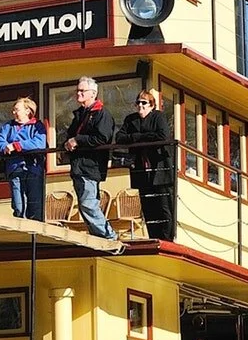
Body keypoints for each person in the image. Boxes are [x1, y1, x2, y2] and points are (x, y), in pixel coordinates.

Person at [115, 88, 177, 241]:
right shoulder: (131, 120)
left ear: (151, 105)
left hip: (160, 170)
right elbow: (120, 138)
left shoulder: (158, 117)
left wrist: (137, 139)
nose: (140, 106)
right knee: (148, 206)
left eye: (144, 103)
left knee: (164, 206)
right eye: (138, 103)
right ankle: (153, 236)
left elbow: (162, 135)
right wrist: (143, 138)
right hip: (142, 170)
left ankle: (167, 239)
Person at [61, 76, 117, 239]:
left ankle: (109, 236)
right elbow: (70, 135)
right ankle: (98, 236)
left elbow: (102, 138)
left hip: (91, 165)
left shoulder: (102, 114)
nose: (78, 93)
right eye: (77, 90)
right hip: (78, 165)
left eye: (82, 91)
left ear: (93, 93)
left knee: (88, 203)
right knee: (85, 204)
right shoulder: (80, 114)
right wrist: (68, 143)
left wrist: (77, 140)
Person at [0, 96, 49, 220]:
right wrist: (5, 147)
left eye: (16, 109)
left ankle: (35, 236)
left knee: (35, 206)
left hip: (33, 170)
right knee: (18, 206)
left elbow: (39, 143)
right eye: (13, 110)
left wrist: (16, 145)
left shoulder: (37, 126)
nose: (13, 112)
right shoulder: (8, 126)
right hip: (15, 169)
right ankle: (22, 234)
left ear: (27, 111)